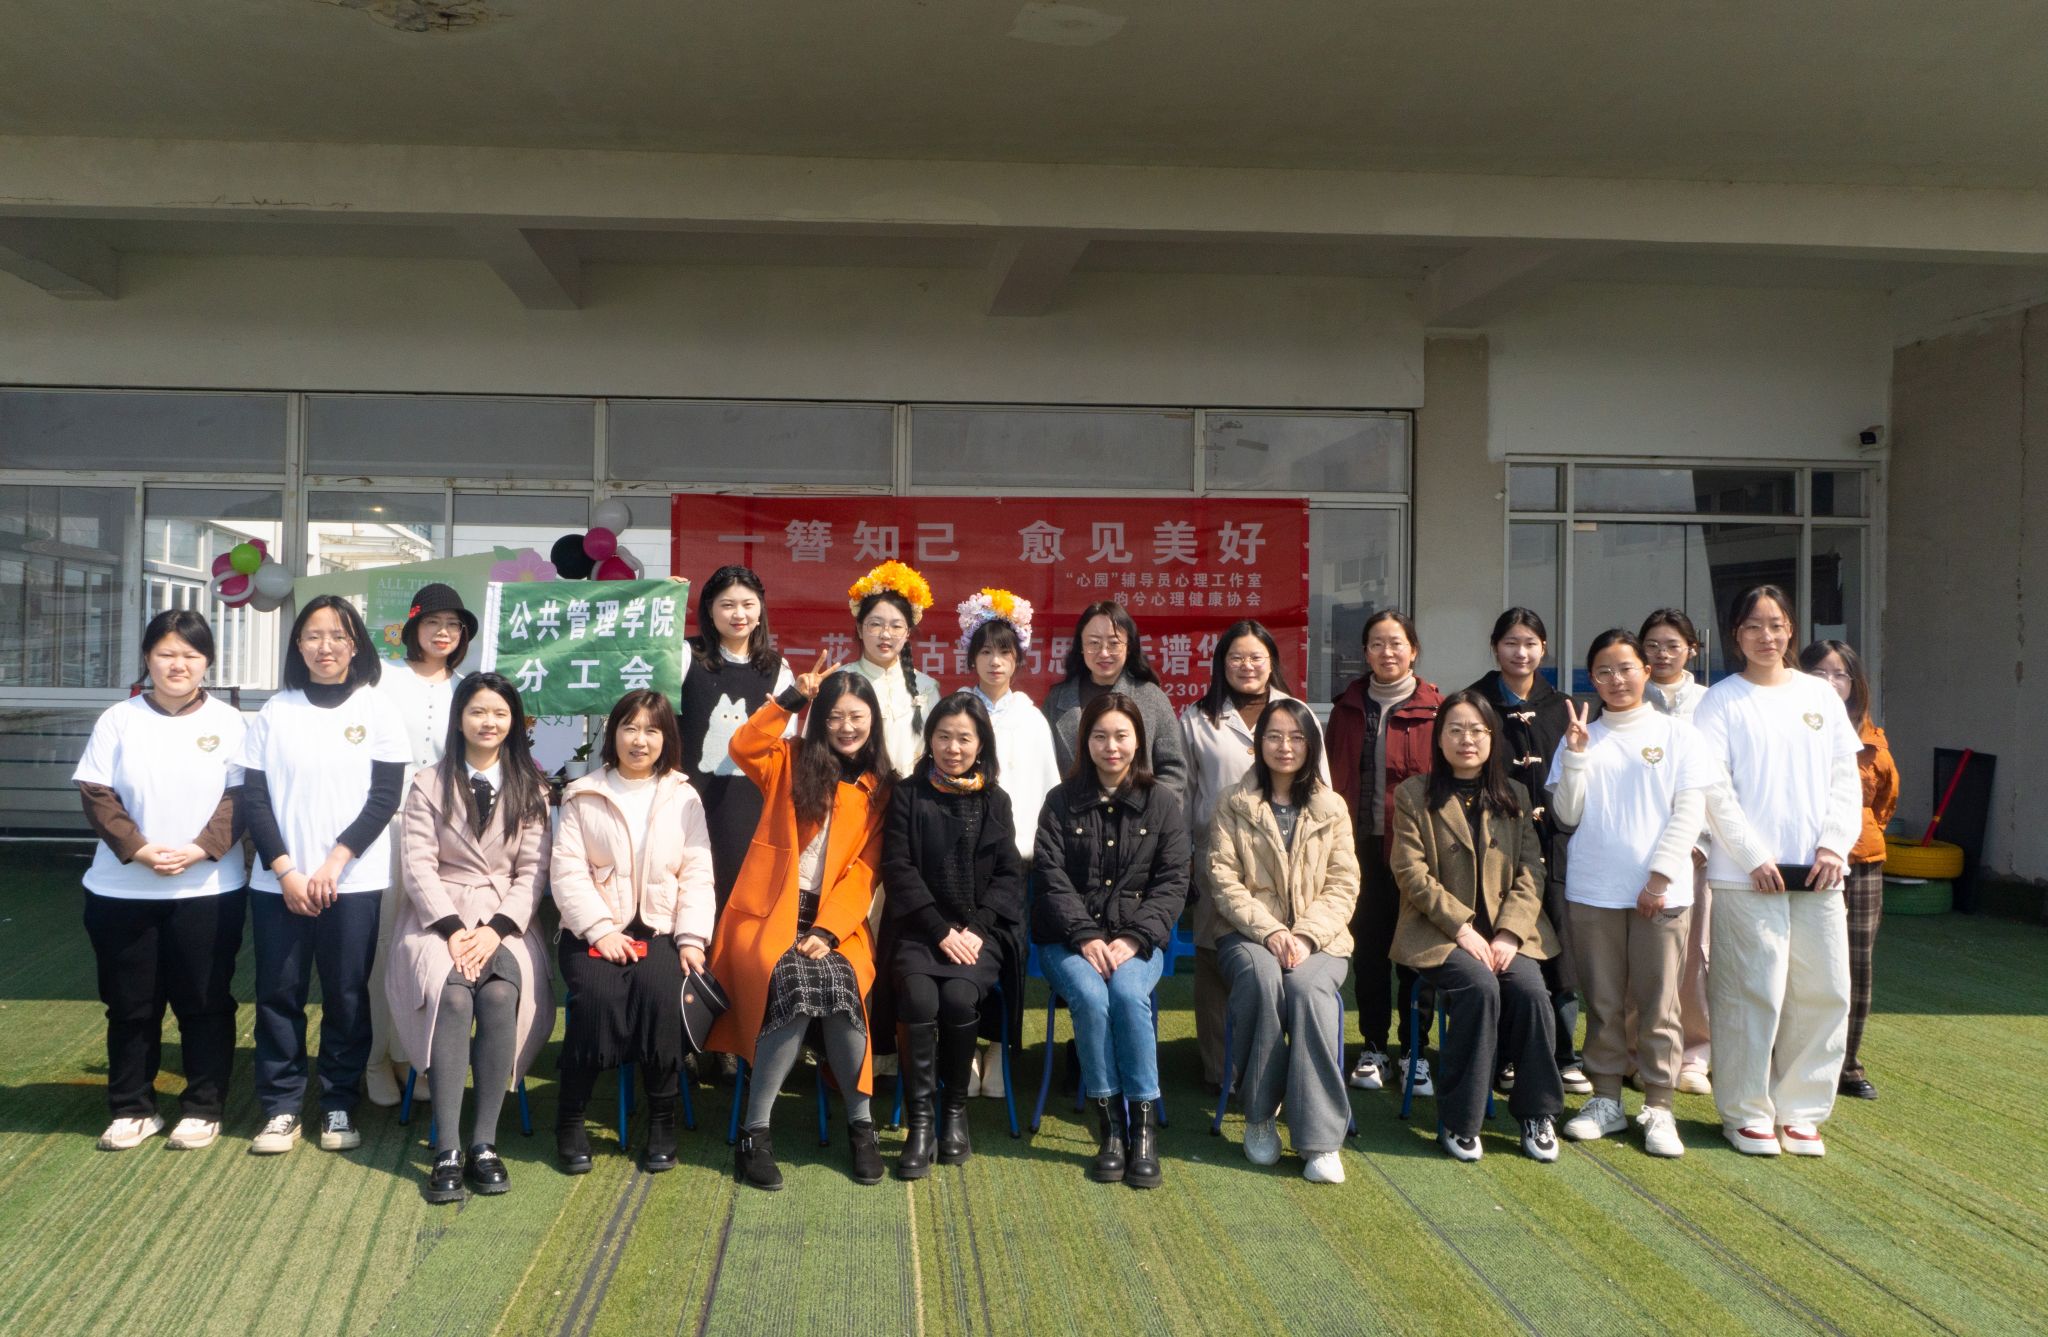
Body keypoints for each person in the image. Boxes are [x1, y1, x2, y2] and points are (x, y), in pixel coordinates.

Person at [711, 658, 894, 1191]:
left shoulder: (881, 786)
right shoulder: (788, 759)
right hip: (768, 917)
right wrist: (792, 697)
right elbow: (743, 746)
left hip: (836, 926)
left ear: (873, 720)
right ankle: (755, 1132)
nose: (846, 727)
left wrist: (829, 931)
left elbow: (866, 871)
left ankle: (861, 1127)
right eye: (835, 716)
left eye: (857, 716)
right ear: (819, 718)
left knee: (841, 984)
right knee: (790, 981)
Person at [238, 595, 409, 1155]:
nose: (325, 646)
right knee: (278, 993)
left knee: (346, 995)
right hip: (279, 883)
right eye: (313, 635)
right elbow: (255, 799)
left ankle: (338, 1102)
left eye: (338, 635)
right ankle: (281, 1107)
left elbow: (384, 797)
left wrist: (335, 861)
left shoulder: (377, 709)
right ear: (297, 645)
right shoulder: (275, 711)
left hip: (352, 882)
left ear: (355, 645)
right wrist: (285, 870)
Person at [1694, 586, 1861, 1157]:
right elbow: (1713, 789)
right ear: (1735, 634)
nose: (1766, 636)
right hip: (1745, 876)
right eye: (1753, 626)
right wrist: (1750, 855)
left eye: (1776, 624)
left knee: (1824, 990)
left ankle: (1802, 1111)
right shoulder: (1720, 702)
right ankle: (1744, 1112)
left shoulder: (1820, 696)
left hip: (1819, 874)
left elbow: (1845, 779)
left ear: (1791, 629)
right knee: (1750, 992)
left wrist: (1834, 846)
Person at [73, 609, 248, 1152]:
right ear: (147, 657)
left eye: (191, 654)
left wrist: (200, 849)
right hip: (122, 891)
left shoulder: (231, 722)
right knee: (131, 1005)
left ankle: (203, 1107)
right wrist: (140, 850)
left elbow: (242, 797)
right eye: (166, 653)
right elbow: (96, 793)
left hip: (208, 890)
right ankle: (132, 1108)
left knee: (205, 1001)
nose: (178, 664)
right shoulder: (119, 719)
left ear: (208, 661)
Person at [1550, 632, 1717, 1158]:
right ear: (1591, 679)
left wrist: (1660, 878)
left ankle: (1659, 1106)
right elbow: (1566, 815)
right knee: (1602, 1001)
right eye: (1603, 671)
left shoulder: (1679, 735)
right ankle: (1605, 1100)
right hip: (1593, 890)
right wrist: (1576, 755)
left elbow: (1689, 812)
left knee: (1659, 1003)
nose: (1616, 680)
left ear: (1646, 671)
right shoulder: (1582, 737)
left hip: (1661, 894)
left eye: (1625, 668)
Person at [391, 672, 555, 1202]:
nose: (489, 722)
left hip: (506, 918)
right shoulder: (427, 784)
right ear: (459, 719)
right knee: (454, 998)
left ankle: (483, 1143)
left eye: (500, 713)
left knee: (502, 994)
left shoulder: (532, 787)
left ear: (514, 722)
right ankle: (447, 1147)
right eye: (478, 711)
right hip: (436, 919)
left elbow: (533, 872)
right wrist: (455, 930)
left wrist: (496, 930)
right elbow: (418, 865)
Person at [1389, 690, 1563, 1163]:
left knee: (1530, 992)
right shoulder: (1414, 795)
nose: (1466, 739)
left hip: (1506, 934)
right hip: (1439, 933)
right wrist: (1463, 929)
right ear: (1439, 738)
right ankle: (1461, 1119)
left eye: (1477, 730)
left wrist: (1509, 932)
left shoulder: (1514, 796)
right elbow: (1411, 874)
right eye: (1455, 730)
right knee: (1479, 987)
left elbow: (1531, 871)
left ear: (1492, 738)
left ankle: (1537, 1113)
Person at [549, 689, 715, 1175]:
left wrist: (691, 938)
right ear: (614, 734)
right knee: (596, 998)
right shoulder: (584, 793)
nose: (640, 740)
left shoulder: (683, 796)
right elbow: (567, 872)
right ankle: (570, 1118)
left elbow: (698, 872)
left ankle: (662, 1120)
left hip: (662, 929)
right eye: (630, 728)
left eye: (652, 730)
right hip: (594, 930)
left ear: (666, 738)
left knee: (661, 993)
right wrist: (599, 930)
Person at [1032, 692, 1190, 1190]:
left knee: (1125, 992)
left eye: (1122, 735)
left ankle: (1142, 1126)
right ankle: (1110, 1128)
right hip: (1067, 942)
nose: (1111, 746)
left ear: (1138, 741)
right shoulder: (1060, 801)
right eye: (1100, 736)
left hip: (1136, 942)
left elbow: (1173, 881)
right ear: (1085, 742)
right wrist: (1083, 935)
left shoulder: (1161, 803)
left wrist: (1136, 937)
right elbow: (1050, 877)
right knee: (1091, 996)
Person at [1206, 698, 1359, 1183]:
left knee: (1308, 991)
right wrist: (1270, 931)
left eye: (1296, 737)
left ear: (1311, 745)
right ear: (1258, 744)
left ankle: (1319, 1141)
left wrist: (1307, 936)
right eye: (1274, 736)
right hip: (1247, 935)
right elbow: (1223, 879)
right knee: (1263, 978)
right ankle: (1259, 1115)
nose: (1285, 746)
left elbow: (1343, 884)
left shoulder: (1332, 807)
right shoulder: (1233, 802)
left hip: (1321, 939)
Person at [878, 693, 1027, 1177]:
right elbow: (897, 867)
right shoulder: (908, 793)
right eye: (943, 737)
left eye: (964, 738)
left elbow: (1008, 875)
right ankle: (921, 1123)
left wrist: (976, 929)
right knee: (919, 998)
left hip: (978, 935)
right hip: (919, 929)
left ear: (981, 743)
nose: (953, 748)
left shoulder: (996, 800)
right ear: (930, 740)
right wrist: (940, 930)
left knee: (961, 1000)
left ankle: (954, 1113)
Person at [1181, 620, 1327, 1091]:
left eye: (1256, 657)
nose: (1247, 666)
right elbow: (1184, 793)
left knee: (1282, 959)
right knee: (1214, 959)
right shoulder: (1197, 718)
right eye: (1237, 658)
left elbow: (1321, 789)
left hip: (1287, 857)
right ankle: (1221, 1070)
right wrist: (1183, 856)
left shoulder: (1297, 713)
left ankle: (1278, 1068)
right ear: (1221, 663)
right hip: (1218, 857)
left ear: (1272, 662)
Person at [1466, 609, 1587, 1095]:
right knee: (1503, 947)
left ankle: (1564, 1054)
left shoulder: (1563, 707)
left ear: (1544, 648)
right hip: (1496, 845)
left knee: (1559, 951)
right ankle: (1506, 1055)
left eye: (1531, 643)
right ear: (1495, 646)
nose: (1521, 653)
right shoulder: (1477, 702)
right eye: (1511, 643)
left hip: (1555, 844)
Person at [365, 581, 474, 1108]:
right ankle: (375, 1058)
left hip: (448, 830)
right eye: (433, 622)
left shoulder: (469, 688)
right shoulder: (382, 679)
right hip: (387, 823)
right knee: (384, 943)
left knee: (430, 945)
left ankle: (417, 1056)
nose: (443, 632)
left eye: (453, 625)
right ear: (412, 628)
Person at [1324, 609, 1443, 1094]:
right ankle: (1373, 1046)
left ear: (1413, 650)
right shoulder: (1347, 708)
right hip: (1360, 850)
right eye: (1377, 643)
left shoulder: (1437, 709)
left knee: (1417, 953)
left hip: (1417, 851)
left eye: (1396, 643)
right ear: (1365, 652)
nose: (1387, 652)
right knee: (1369, 952)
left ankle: (1415, 1050)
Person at [958, 588, 1060, 1098]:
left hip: (1014, 864)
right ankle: (964, 1048)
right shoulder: (957, 711)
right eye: (985, 652)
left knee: (1008, 955)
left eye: (1004, 652)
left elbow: (1046, 790)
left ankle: (999, 1049)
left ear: (1018, 659)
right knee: (962, 954)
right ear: (971, 658)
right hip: (959, 861)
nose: (995, 662)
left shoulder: (1031, 718)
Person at [1799, 639, 1898, 1102]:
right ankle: (1793, 1058)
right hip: (1802, 859)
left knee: (1855, 963)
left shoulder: (1872, 738)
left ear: (1855, 684)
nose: (1831, 682)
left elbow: (1884, 802)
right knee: (1801, 964)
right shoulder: (1790, 727)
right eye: (1819, 672)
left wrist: (1858, 835)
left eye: (1841, 674)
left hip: (1861, 862)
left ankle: (1847, 1063)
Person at [674, 565, 796, 912]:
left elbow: (785, 745)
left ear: (760, 611)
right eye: (727, 605)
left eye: (747, 604)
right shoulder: (686, 655)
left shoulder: (777, 669)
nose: (738, 614)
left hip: (748, 806)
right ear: (710, 610)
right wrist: (666, 605)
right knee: (688, 894)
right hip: (688, 800)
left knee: (736, 897)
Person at [1639, 607, 1713, 1093]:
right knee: (1637, 956)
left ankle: (1694, 1055)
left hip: (1696, 850)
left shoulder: (1710, 703)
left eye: (1672, 645)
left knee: (1695, 955)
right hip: (1637, 849)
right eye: (1652, 645)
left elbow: (1721, 779)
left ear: (1692, 649)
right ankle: (1634, 1051)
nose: (1662, 654)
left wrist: (1701, 840)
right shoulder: (1625, 696)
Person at [1041, 600, 1187, 799]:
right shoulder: (1056, 700)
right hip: (1072, 814)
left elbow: (1173, 769)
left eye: (1114, 643)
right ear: (1081, 646)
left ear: (1129, 647)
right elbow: (1042, 768)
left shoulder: (1152, 698)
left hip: (1138, 815)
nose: (1104, 653)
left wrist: (1153, 812)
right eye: (1094, 643)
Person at [845, 561, 942, 779]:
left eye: (896, 626)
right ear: (860, 629)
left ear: (908, 633)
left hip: (911, 796)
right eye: (875, 624)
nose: (885, 635)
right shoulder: (840, 682)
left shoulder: (927, 689)